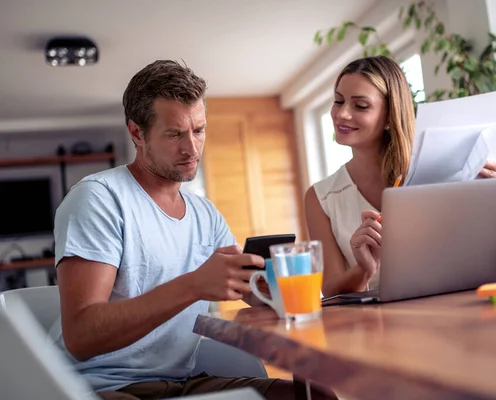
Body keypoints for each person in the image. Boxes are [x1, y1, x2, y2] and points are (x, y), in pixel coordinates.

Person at [51, 60, 336, 400]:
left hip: (181, 383)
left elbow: (250, 291)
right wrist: (194, 285)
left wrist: (270, 287)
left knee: (315, 396)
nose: (192, 148)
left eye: (198, 130)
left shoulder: (205, 214)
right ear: (136, 133)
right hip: (98, 386)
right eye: (174, 134)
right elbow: (82, 338)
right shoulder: (99, 198)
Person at [304, 55, 496, 298]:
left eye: (360, 106)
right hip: (374, 327)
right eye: (338, 101)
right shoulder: (321, 198)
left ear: (390, 117)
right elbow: (331, 292)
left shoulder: (438, 174)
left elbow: (479, 257)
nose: (342, 114)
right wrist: (365, 269)